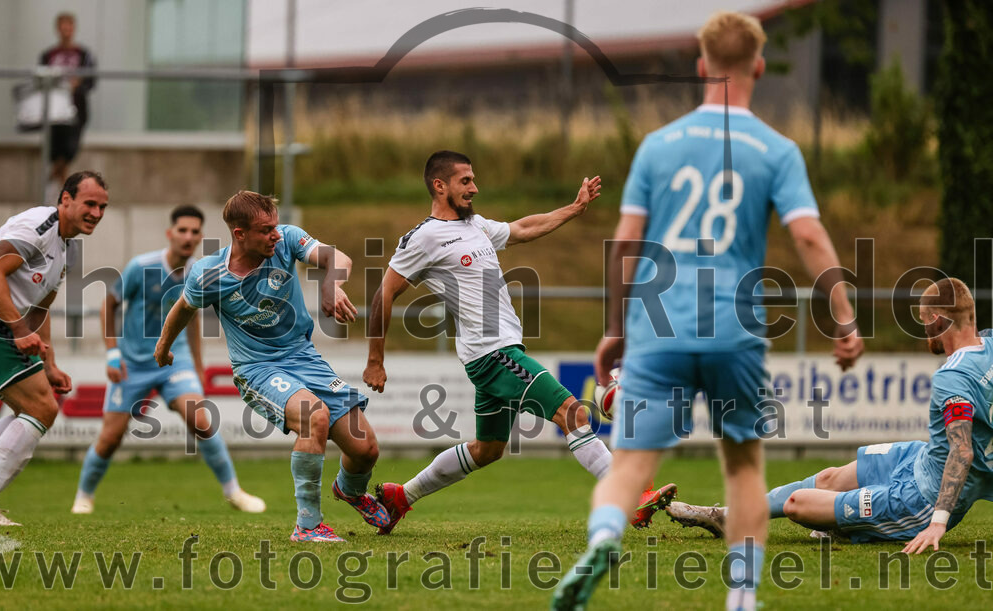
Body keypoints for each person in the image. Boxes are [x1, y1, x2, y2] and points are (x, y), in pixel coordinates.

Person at [552, 12, 864, 611]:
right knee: (744, 466)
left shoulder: (657, 145)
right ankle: (742, 597)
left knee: (631, 464)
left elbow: (625, 242)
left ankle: (604, 539)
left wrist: (615, 328)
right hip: (733, 327)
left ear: (700, 68)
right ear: (759, 67)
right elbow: (809, 238)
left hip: (657, 323)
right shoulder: (777, 149)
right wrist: (844, 318)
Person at [363, 150, 676, 536]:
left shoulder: (475, 226)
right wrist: (375, 360)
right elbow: (383, 294)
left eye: (474, 179)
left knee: (487, 450)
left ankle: (400, 497)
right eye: (465, 181)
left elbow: (523, 228)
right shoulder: (424, 237)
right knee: (572, 413)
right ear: (439, 185)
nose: (474, 188)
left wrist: (574, 209)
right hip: (494, 356)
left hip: (495, 355)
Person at [669, 278, 993, 554]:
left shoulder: (954, 377)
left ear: (937, 320)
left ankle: (843, 524)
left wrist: (938, 522)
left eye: (924, 322)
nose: (926, 334)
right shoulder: (989, 346)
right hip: (920, 457)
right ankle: (726, 516)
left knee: (797, 503)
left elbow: (962, 450)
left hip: (919, 498)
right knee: (827, 478)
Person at [155, 191, 386, 543]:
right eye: (266, 230)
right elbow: (183, 308)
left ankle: (350, 492)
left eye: (275, 226)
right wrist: (163, 346)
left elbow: (336, 258)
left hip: (303, 357)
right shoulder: (209, 274)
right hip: (258, 368)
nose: (275, 234)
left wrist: (331, 284)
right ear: (239, 234)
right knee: (314, 416)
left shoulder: (287, 240)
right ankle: (308, 526)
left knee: (365, 448)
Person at [71, 206, 265, 515]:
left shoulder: (198, 273)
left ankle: (234, 492)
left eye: (194, 231)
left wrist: (199, 366)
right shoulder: (140, 266)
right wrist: (112, 352)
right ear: (170, 234)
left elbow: (192, 320)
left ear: (201, 237)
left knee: (201, 421)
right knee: (109, 438)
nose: (188, 237)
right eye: (182, 230)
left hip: (177, 362)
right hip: (133, 364)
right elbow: (109, 305)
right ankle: (84, 497)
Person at [0, 171, 108, 526]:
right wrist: (17, 330)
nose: (96, 212)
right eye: (89, 203)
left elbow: (40, 309)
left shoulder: (67, 247)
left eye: (102, 206)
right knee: (41, 407)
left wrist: (49, 363)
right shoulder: (39, 225)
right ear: (65, 200)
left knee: (35, 403)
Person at [39, 12, 97, 204]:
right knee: (56, 153)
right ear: (58, 29)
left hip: (75, 110)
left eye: (69, 26)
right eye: (63, 27)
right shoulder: (48, 55)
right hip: (54, 112)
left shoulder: (84, 55)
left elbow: (91, 81)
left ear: (73, 28)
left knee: (69, 151)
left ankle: (57, 190)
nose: (66, 31)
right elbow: (40, 82)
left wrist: (76, 85)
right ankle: (64, 195)